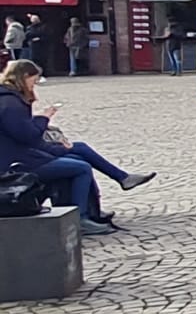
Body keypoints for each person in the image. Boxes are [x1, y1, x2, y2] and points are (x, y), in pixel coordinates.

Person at [0, 61, 155, 236]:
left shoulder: (9, 100)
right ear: (24, 77)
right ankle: (81, 218)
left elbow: (24, 135)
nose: (34, 85)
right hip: (16, 165)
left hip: (23, 156)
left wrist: (52, 141)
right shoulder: (10, 104)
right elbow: (27, 137)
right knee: (80, 167)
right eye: (33, 81)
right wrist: (43, 119)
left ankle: (96, 206)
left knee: (79, 155)